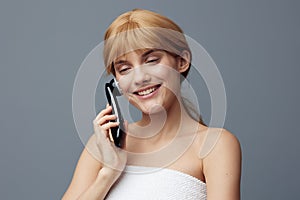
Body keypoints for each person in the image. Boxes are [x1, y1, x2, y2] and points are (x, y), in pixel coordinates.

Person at [62, 9, 241, 200]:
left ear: (182, 61)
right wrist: (107, 174)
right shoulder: (103, 145)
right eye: (124, 69)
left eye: (152, 60)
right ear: (117, 83)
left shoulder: (214, 145)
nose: (139, 78)